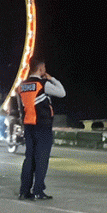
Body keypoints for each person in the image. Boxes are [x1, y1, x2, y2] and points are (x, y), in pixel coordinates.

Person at [17, 58, 66, 200]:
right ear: (40, 68)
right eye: (44, 67)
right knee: (42, 159)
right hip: (42, 126)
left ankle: (24, 191)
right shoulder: (43, 84)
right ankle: (38, 190)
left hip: (28, 125)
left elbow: (23, 105)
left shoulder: (22, 85)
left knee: (29, 158)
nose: (45, 69)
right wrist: (52, 78)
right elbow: (62, 93)